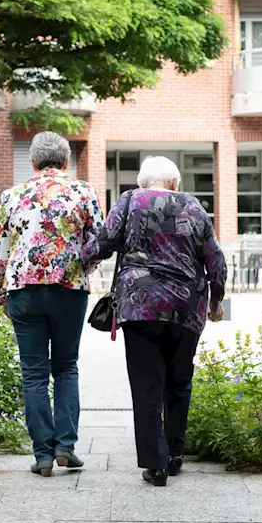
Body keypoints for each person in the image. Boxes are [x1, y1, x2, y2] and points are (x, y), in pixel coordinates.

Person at [83, 156, 227, 487]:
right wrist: (216, 300)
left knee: (147, 385)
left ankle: (156, 464)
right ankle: (175, 454)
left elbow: (104, 242)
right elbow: (214, 259)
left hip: (140, 305)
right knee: (179, 381)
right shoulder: (192, 206)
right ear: (175, 183)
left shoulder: (130, 201)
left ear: (144, 182)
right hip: (186, 307)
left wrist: (80, 260)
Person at [0, 132, 103, 477]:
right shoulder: (83, 192)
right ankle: (65, 446)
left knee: (33, 372)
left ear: (33, 162)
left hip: (23, 289)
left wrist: (0, 293)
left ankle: (42, 454)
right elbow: (98, 241)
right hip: (69, 288)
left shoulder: (12, 195)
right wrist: (82, 269)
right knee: (66, 366)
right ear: (66, 161)